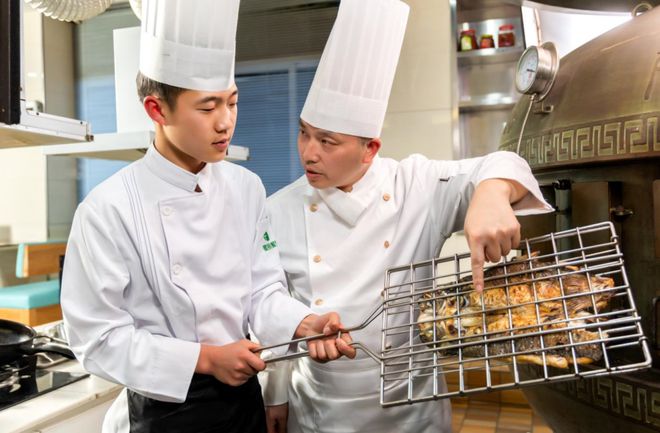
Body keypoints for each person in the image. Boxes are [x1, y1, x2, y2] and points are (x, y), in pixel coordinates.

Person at [60, 1, 354, 432]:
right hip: (167, 412)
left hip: (242, 404)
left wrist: (303, 323)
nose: (226, 122)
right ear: (157, 110)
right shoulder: (108, 209)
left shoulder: (246, 188)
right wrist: (205, 359)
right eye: (207, 107)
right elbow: (95, 340)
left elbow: (260, 291)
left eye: (232, 102)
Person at [261, 0, 554, 432]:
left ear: (370, 149)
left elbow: (502, 163)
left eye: (327, 140)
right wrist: (276, 394)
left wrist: (491, 194)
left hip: (411, 412)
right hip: (320, 410)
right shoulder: (277, 208)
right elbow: (270, 300)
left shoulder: (415, 184)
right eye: (304, 132)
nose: (308, 152)